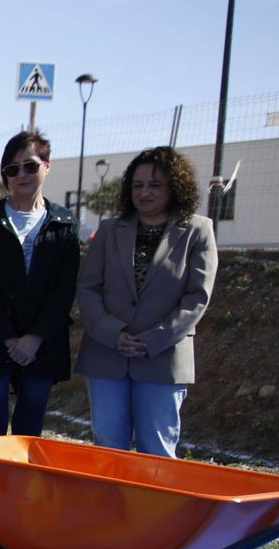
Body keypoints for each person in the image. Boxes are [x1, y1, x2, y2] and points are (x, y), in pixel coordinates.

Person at [76, 146, 216, 456]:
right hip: (107, 356)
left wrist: (153, 339)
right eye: (137, 185)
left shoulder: (198, 231)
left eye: (155, 185)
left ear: (175, 187)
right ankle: (113, 507)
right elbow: (88, 288)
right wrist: (114, 334)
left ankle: (155, 508)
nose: (145, 192)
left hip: (162, 359)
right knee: (109, 451)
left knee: (157, 451)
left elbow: (197, 296)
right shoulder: (110, 229)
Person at [0, 130, 80, 437]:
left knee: (29, 433)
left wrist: (36, 337)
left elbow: (64, 289)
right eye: (12, 169)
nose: (21, 175)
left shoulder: (63, 223)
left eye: (30, 166)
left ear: (47, 165)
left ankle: (22, 487)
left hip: (42, 346)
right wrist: (6, 338)